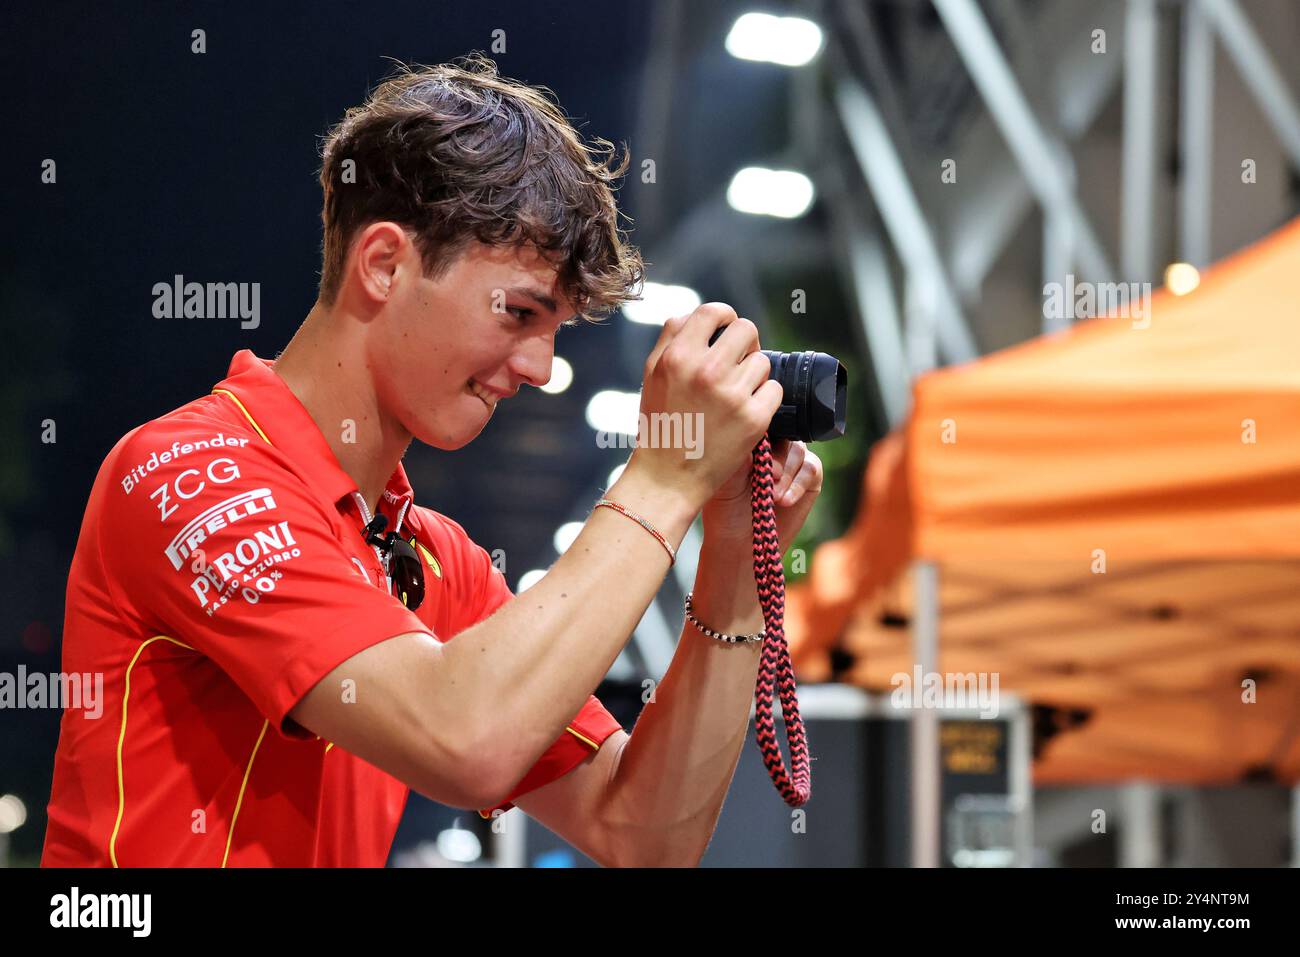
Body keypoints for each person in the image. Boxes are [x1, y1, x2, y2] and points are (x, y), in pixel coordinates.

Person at [41, 54, 822, 868]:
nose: (540, 366)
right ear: (383, 264)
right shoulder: (186, 471)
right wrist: (663, 478)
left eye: (554, 328)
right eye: (520, 311)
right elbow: (464, 739)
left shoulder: (431, 558)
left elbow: (645, 834)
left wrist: (733, 563)